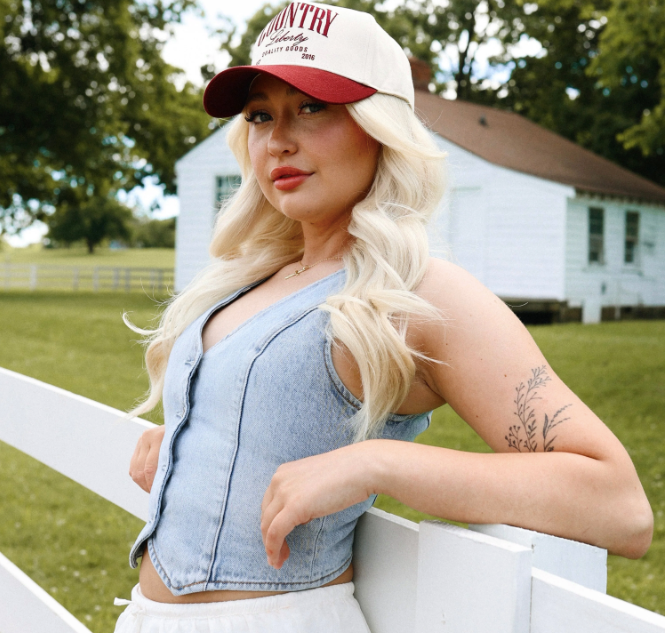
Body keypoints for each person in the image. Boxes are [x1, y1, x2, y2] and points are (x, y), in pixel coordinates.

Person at [115, 2, 653, 631]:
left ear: (379, 127)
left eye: (312, 107)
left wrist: (376, 463)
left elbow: (620, 507)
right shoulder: (252, 278)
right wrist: (193, 430)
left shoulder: (418, 294)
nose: (278, 139)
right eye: (260, 115)